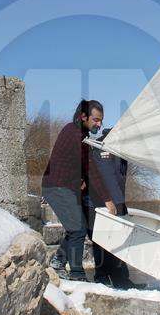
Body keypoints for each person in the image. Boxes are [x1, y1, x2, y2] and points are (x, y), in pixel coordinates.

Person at [41, 100, 116, 281]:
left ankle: (58, 262)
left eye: (101, 121)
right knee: (78, 229)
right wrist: (108, 199)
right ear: (84, 117)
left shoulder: (76, 132)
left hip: (63, 186)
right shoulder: (76, 135)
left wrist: (78, 180)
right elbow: (91, 168)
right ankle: (77, 275)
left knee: (76, 228)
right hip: (57, 187)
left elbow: (75, 164)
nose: (99, 124)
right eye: (96, 120)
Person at [82, 128, 144, 289]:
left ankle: (121, 278)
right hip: (103, 202)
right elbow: (105, 177)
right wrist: (114, 202)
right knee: (102, 240)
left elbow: (119, 178)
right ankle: (102, 276)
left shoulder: (121, 151)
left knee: (120, 239)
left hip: (117, 200)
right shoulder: (101, 148)